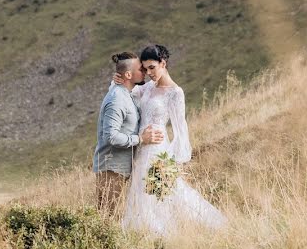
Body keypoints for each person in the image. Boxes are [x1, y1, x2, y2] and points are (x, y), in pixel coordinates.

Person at [116, 45, 227, 235]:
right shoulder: (147, 88)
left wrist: (174, 160)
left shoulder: (175, 92)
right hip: (142, 148)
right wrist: (117, 82)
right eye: (145, 68)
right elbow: (127, 96)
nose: (148, 73)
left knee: (165, 191)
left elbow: (180, 129)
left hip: (159, 149)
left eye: (152, 67)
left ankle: (168, 232)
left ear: (163, 63)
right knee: (142, 192)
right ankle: (145, 232)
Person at [93, 52, 164, 218]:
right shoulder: (117, 99)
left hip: (122, 168)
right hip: (111, 168)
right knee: (108, 217)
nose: (145, 72)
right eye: (141, 69)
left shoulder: (128, 94)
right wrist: (140, 139)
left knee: (117, 216)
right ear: (128, 75)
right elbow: (110, 136)